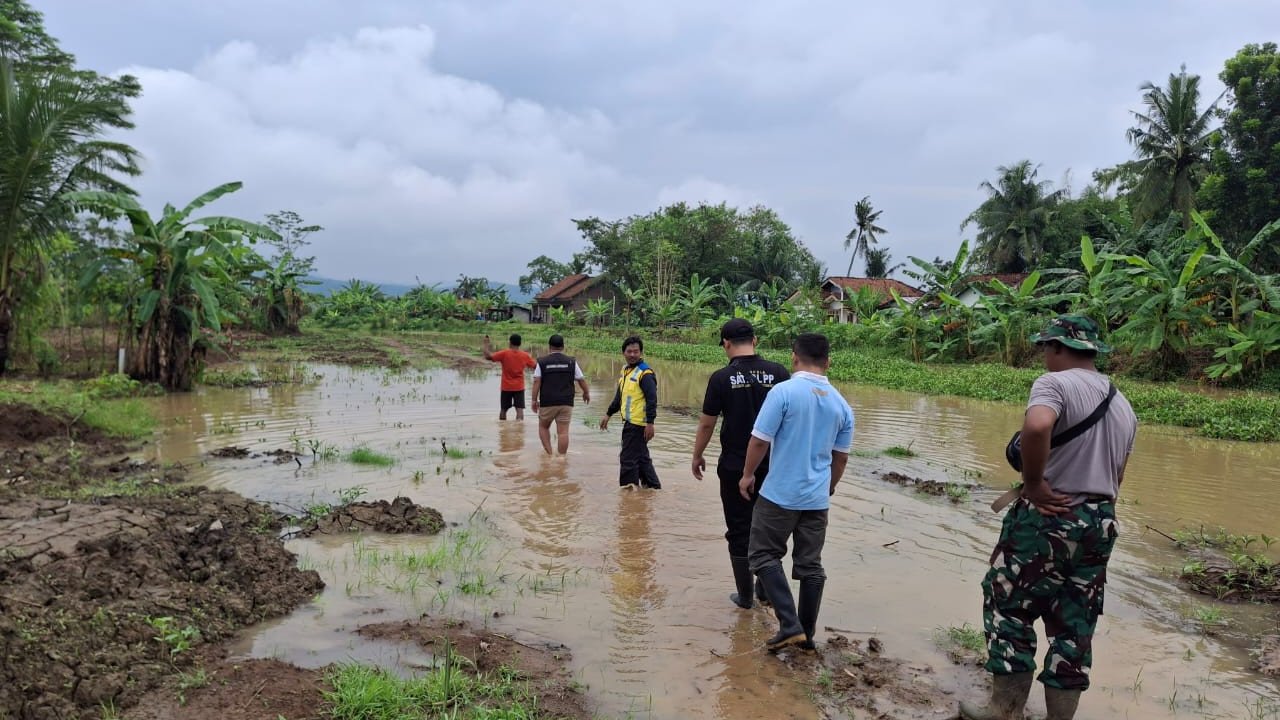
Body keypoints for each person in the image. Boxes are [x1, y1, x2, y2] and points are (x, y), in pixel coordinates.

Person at [961, 315, 1137, 720]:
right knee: (1076, 621)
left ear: (1058, 348)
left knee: (1009, 605)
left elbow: (1038, 426)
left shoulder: (1055, 384)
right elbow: (1118, 474)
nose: (1043, 356)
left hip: (1050, 515)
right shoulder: (1122, 402)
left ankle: (1004, 709)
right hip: (1100, 519)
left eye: (1045, 348)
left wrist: (1034, 482)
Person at [738, 332, 853, 651]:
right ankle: (807, 636)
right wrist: (828, 487)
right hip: (816, 500)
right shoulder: (842, 404)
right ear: (828, 362)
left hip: (779, 494)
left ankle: (789, 625)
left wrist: (747, 475)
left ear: (794, 357)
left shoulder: (783, 393)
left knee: (762, 554)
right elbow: (840, 458)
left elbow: (760, 441)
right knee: (810, 565)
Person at [692, 318, 790, 609]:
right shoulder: (779, 373)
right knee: (770, 530)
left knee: (739, 529)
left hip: (735, 467)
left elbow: (707, 425)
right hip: (774, 466)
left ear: (726, 344)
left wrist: (697, 455)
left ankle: (746, 596)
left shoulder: (721, 378)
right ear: (755, 340)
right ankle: (764, 589)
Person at [600, 336, 661, 489]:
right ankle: (653, 489)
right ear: (623, 353)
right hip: (631, 423)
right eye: (629, 351)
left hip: (638, 425)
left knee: (628, 459)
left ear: (641, 353)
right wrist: (608, 414)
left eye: (636, 351)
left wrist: (650, 423)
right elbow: (619, 396)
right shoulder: (626, 371)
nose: (633, 355)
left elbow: (652, 400)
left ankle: (628, 493)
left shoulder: (645, 374)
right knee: (641, 459)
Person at [530, 334, 591, 455]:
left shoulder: (542, 362)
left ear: (549, 347)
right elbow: (581, 379)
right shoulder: (571, 362)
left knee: (543, 427)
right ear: (563, 347)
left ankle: (549, 454)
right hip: (566, 402)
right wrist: (586, 392)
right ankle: (562, 458)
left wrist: (533, 400)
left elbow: (537, 381)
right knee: (563, 432)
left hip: (547, 402)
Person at [482, 333, 536, 420]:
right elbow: (535, 366)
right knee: (519, 410)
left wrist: (485, 344)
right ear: (520, 344)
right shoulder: (525, 356)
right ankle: (519, 431)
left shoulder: (504, 353)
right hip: (519, 387)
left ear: (510, 343)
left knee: (503, 410)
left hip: (506, 387)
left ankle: (503, 431)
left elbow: (488, 356)